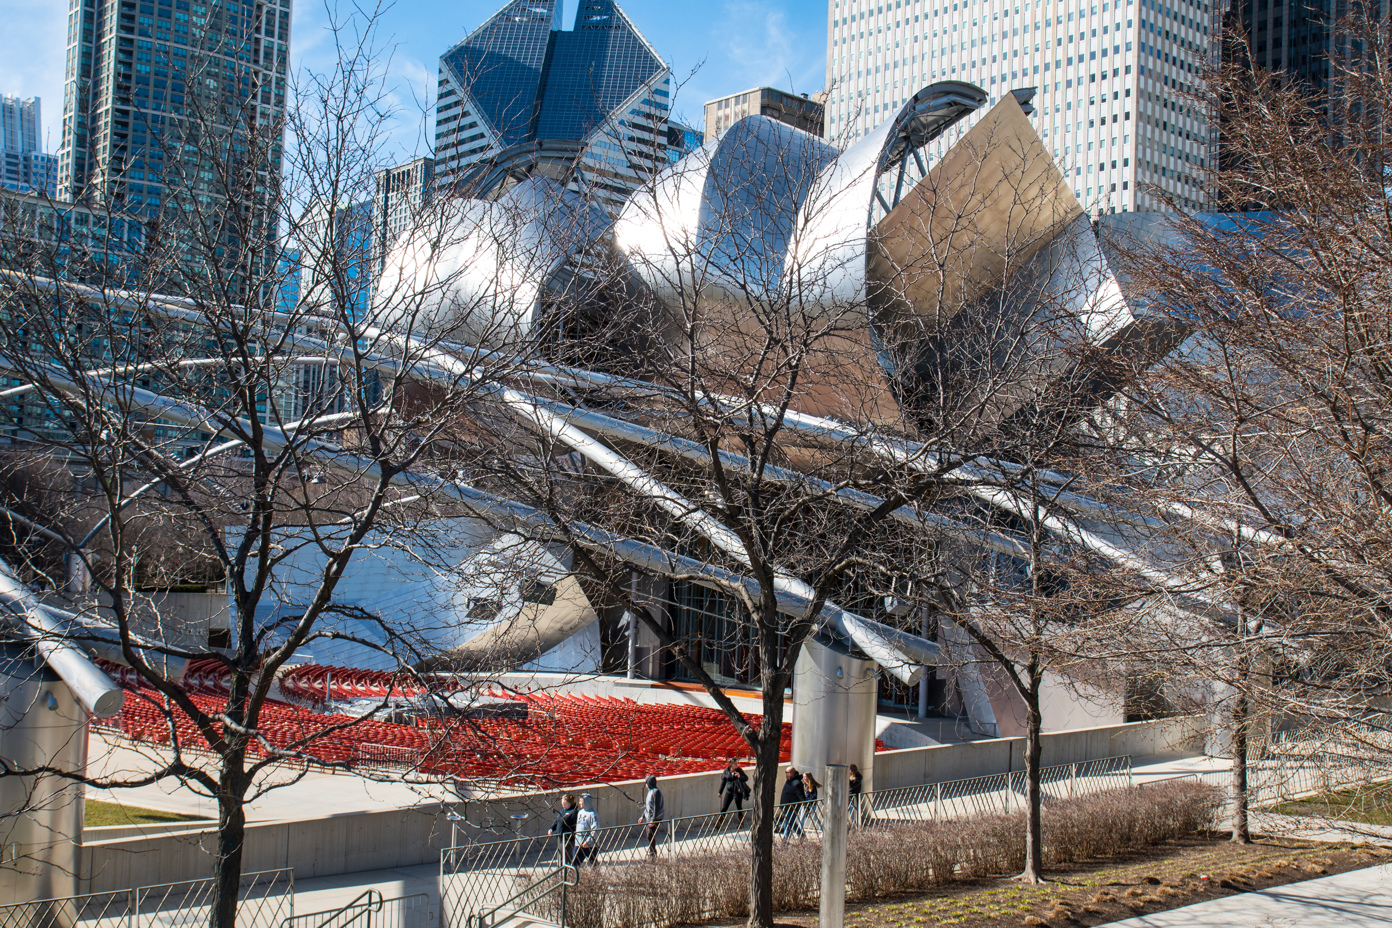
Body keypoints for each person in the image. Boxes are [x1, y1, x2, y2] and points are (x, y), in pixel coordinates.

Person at [717, 759, 750, 828]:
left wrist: (739, 776)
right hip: (729, 791)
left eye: (737, 763)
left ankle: (741, 824)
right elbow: (723, 782)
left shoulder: (739, 770)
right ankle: (719, 824)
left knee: (739, 807)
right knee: (724, 807)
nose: (736, 765)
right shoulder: (726, 771)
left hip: (737, 791)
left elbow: (746, 778)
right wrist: (720, 792)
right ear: (731, 764)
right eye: (735, 764)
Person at [638, 774, 665, 857]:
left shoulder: (656, 792)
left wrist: (653, 820)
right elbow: (648, 806)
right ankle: (651, 850)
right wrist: (643, 816)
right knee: (648, 834)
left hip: (654, 818)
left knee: (650, 834)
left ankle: (652, 852)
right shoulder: (650, 792)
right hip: (649, 817)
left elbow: (656, 807)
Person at [778, 766, 806, 843]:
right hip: (786, 806)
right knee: (791, 822)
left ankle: (786, 839)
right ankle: (801, 835)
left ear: (790, 773)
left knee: (788, 822)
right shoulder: (789, 781)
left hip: (792, 807)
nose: (786, 774)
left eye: (786, 773)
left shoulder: (796, 783)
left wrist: (806, 806)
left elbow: (801, 796)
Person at [548, 793, 578, 864]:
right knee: (560, 857)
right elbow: (557, 821)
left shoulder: (573, 812)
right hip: (560, 838)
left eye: (563, 801)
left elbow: (574, 826)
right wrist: (551, 828)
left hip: (568, 839)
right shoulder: (562, 811)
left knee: (566, 857)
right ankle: (561, 871)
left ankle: (568, 872)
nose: (562, 803)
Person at [573, 792, 598, 867]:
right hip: (579, 843)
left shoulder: (592, 814)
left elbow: (595, 829)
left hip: (589, 845)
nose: (579, 803)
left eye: (581, 801)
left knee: (593, 864)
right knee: (574, 863)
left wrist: (588, 841)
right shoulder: (580, 812)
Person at [848, 763, 865, 827]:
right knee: (851, 808)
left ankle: (857, 823)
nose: (849, 772)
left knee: (856, 809)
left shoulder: (858, 778)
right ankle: (853, 822)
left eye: (850, 770)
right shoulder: (852, 777)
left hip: (856, 796)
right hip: (851, 796)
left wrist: (850, 781)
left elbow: (853, 785)